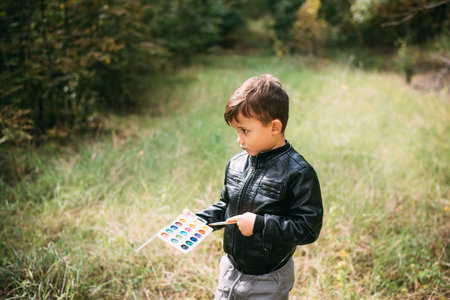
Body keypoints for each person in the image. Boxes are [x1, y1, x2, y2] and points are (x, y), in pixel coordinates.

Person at [195, 74, 323, 299]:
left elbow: (308, 228)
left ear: (274, 127)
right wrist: (200, 221)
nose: (239, 140)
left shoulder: (298, 172)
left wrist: (260, 224)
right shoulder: (236, 164)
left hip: (269, 278)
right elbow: (227, 205)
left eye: (245, 131)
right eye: (236, 131)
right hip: (230, 270)